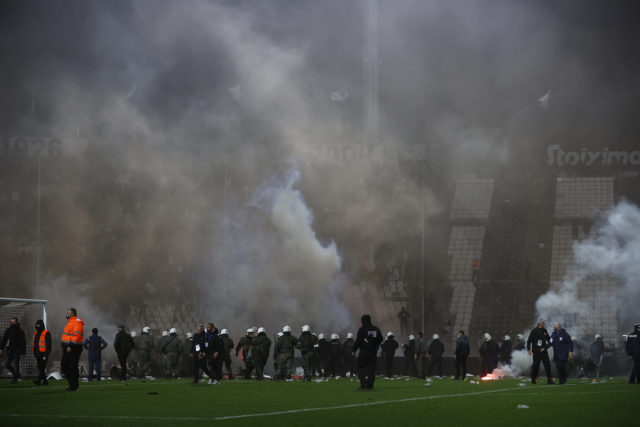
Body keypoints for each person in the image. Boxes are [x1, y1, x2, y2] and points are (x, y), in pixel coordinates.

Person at [351, 314, 383, 390]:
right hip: (373, 352)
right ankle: (370, 385)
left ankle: (363, 383)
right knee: (371, 369)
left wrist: (353, 350)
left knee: (359, 367)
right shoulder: (376, 329)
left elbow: (358, 341)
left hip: (364, 352)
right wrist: (375, 344)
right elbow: (381, 339)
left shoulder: (362, 329)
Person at [60, 308, 85, 391]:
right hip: (68, 347)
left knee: (73, 366)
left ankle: (74, 385)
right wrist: (64, 346)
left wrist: (70, 346)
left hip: (74, 347)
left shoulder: (77, 322)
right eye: (67, 312)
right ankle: (73, 383)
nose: (67, 314)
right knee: (64, 365)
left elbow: (76, 336)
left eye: (68, 312)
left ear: (73, 314)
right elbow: (66, 336)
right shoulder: (70, 322)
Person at [1, 317, 26, 384]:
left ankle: (15, 379)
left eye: (13, 322)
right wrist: (1, 348)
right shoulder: (8, 330)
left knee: (16, 365)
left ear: (16, 322)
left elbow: (23, 342)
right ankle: (17, 375)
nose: (12, 323)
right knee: (7, 364)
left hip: (17, 350)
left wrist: (23, 352)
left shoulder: (20, 331)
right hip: (9, 350)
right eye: (11, 322)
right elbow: (4, 340)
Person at [32, 319, 51, 386]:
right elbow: (35, 344)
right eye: (36, 324)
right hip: (37, 353)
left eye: (38, 325)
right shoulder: (36, 333)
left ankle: (38, 381)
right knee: (40, 368)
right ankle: (45, 381)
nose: (37, 326)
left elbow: (48, 344)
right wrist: (34, 352)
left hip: (43, 354)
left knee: (42, 368)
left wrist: (46, 353)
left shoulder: (46, 333)